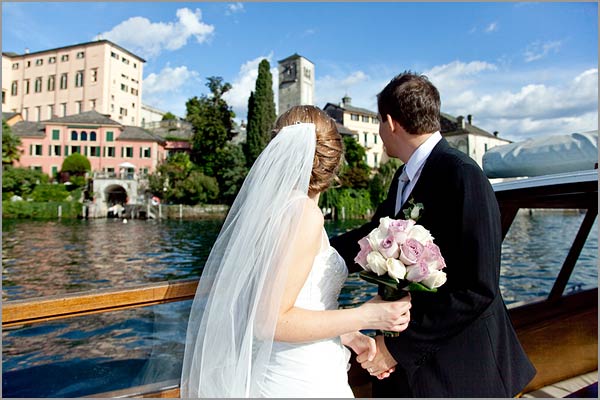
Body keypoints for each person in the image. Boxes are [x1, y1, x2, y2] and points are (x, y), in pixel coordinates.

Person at [180, 105, 412, 398]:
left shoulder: (269, 213)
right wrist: (367, 316)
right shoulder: (304, 214)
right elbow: (273, 320)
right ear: (333, 162)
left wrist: (348, 334)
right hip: (301, 377)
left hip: (281, 367)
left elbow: (277, 303)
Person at [330, 72, 536, 397]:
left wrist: (397, 349)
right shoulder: (404, 175)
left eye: (381, 126)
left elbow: (478, 288)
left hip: (458, 370)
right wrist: (316, 255)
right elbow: (375, 237)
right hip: (412, 365)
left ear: (389, 122)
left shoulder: (463, 175)